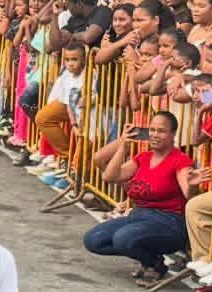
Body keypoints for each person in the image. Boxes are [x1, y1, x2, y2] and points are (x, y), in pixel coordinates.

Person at [82, 111, 195, 280]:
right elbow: (110, 177)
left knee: (123, 238)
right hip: (138, 216)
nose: (155, 135)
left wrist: (193, 185)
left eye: (161, 131)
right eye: (152, 130)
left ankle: (151, 263)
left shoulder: (180, 160)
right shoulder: (143, 157)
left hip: (169, 222)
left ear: (173, 134)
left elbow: (188, 192)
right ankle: (153, 260)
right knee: (93, 240)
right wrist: (123, 146)